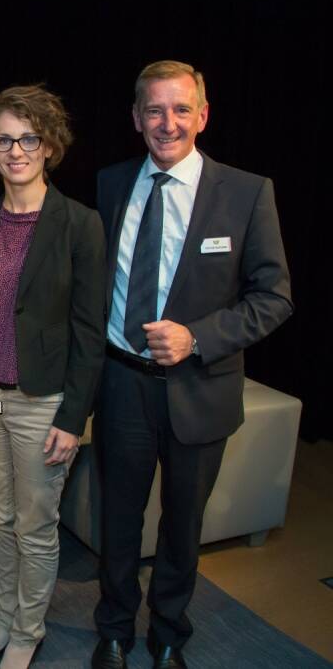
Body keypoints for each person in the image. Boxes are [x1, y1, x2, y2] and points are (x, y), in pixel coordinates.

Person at [91, 60, 292, 669]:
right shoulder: (110, 183)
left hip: (200, 389)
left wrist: (198, 337)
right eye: (154, 109)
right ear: (136, 118)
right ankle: (116, 631)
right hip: (123, 385)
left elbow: (275, 297)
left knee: (182, 529)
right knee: (119, 525)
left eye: (181, 109)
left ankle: (169, 633)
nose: (167, 122)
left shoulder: (248, 192)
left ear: (203, 115)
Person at [0, 85, 106, 669]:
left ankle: (28, 630)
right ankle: (3, 619)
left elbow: (90, 333)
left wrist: (73, 420)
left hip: (43, 404)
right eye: (4, 139)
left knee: (36, 526)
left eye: (28, 138)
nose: (15, 150)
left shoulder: (80, 224)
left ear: (48, 146)